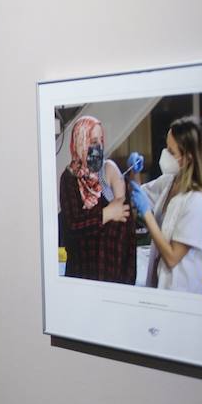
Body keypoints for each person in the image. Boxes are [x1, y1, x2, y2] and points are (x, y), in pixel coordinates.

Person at [129, 116, 202, 293]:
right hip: (159, 286)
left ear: (188, 158)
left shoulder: (197, 202)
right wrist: (134, 173)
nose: (165, 154)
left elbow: (172, 257)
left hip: (181, 292)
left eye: (171, 151)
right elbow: (138, 194)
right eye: (166, 148)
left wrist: (147, 214)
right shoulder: (169, 182)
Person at [59, 115, 134, 283]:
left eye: (101, 140)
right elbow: (73, 227)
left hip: (114, 279)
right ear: (80, 142)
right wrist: (106, 214)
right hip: (82, 277)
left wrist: (129, 281)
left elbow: (128, 236)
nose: (98, 147)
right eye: (93, 142)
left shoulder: (110, 173)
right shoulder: (69, 179)